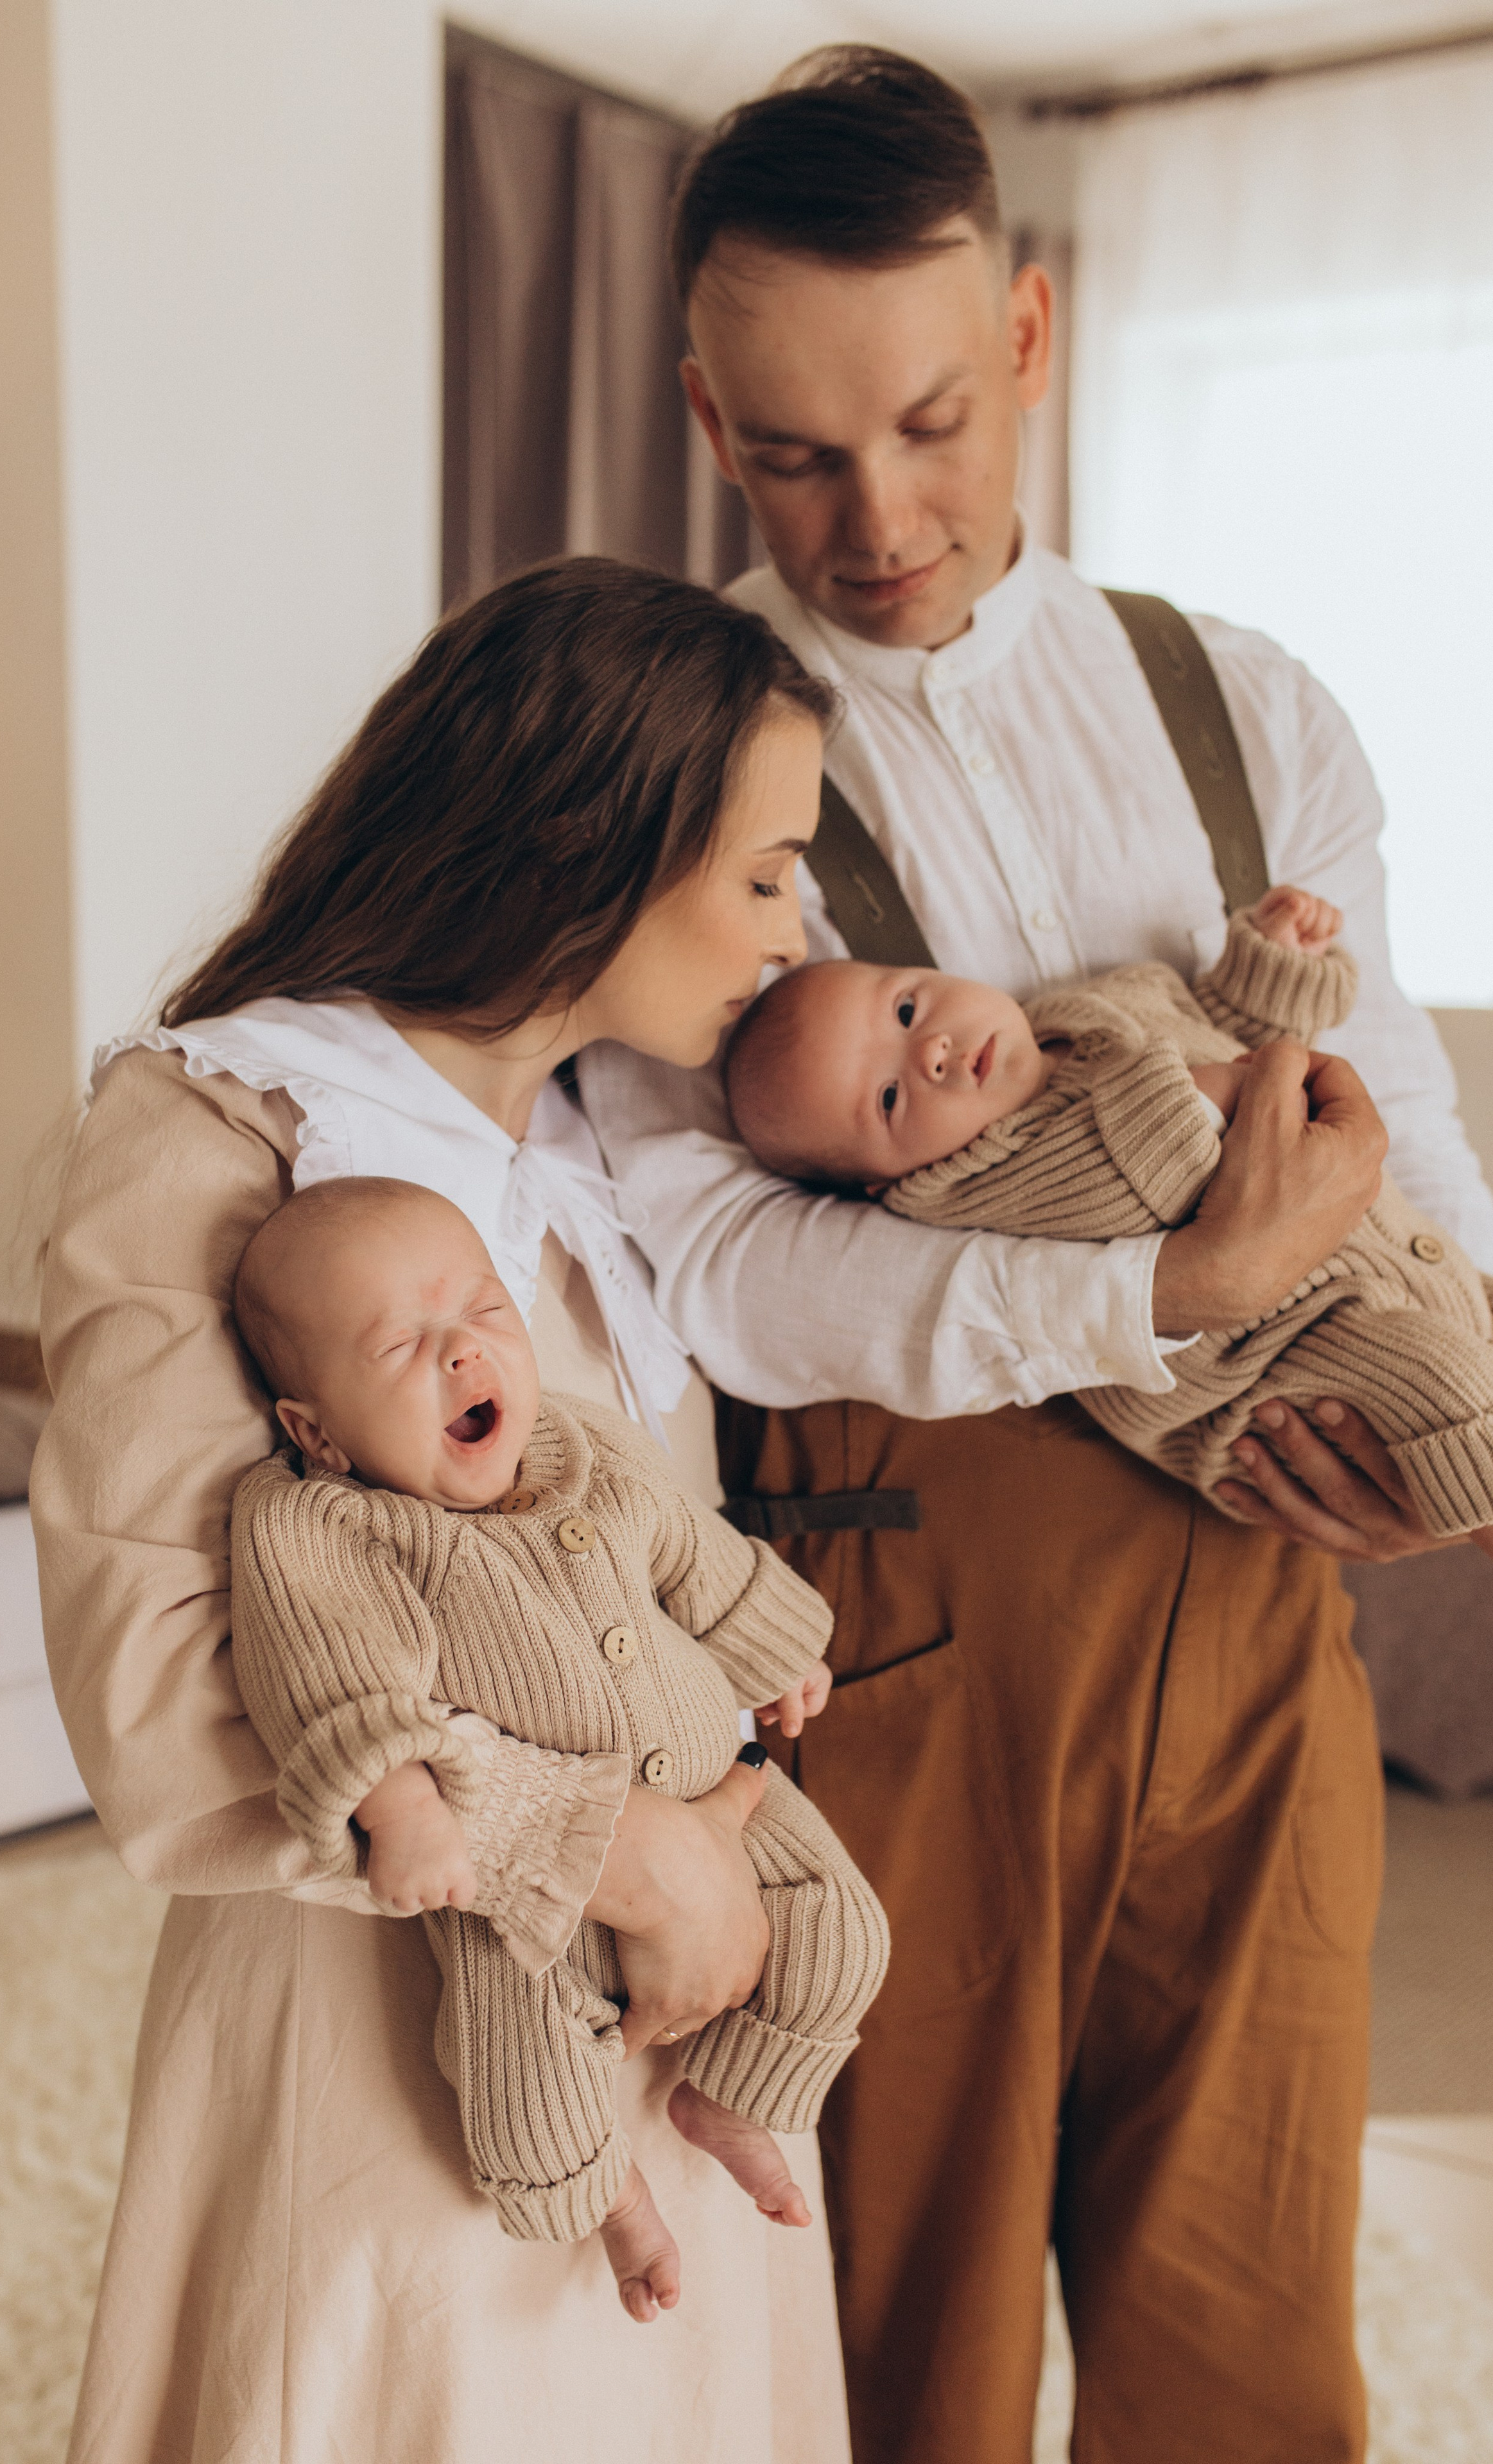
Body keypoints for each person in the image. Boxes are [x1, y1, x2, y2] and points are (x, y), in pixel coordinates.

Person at [577, 47, 1493, 2464]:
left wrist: (1432, 1421)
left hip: (1261, 1629)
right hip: (891, 1665)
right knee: (905, 2358)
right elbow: (699, 1266)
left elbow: (1401, 1121)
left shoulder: (1247, 705)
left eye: (922, 424)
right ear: (698, 411)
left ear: (1025, 343)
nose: (872, 515)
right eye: (788, 455)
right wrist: (1144, 1301)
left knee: (1249, 2353)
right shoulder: (665, 776)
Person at [31, 557, 859, 2464]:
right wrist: (611, 1845)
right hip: (380, 2005)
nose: (788, 921)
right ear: (588, 847)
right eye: (756, 870)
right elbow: (164, 1721)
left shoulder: (615, 1160)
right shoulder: (211, 1133)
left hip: (669, 1990)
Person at [223, 1176, 887, 2323]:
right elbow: (330, 1680)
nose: (464, 1356)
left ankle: (735, 2102)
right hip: (518, 1881)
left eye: (485, 1313)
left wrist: (773, 1646)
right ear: (317, 1431)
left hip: (709, 1789)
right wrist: (404, 1809)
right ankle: (612, 2200)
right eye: (400, 1345)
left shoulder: (591, 1447)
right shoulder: (325, 1527)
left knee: (846, 1926)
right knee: (522, 2077)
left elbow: (694, 1553)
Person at [725, 887, 1493, 1537]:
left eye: (903, 1008)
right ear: (878, 1185)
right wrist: (1247, 1080)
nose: (929, 1051)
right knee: (1445, 1380)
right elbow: (1175, 1150)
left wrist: (1273, 967)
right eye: (889, 1098)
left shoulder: (1074, 1016)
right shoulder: (985, 1179)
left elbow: (1218, 1033)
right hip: (1285, 1362)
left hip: (1394, 1278)